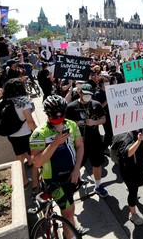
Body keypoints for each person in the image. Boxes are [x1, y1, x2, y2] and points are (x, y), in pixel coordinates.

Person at [29, 95, 88, 238]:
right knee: (69, 211)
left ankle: (68, 228)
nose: (58, 117)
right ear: (47, 114)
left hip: (71, 176)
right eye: (54, 115)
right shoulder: (39, 133)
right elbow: (36, 162)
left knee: (68, 208)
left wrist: (76, 169)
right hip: (53, 180)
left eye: (61, 114)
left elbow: (80, 146)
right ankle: (71, 234)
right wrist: (54, 143)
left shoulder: (72, 125)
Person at [65, 83, 108, 197]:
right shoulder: (71, 107)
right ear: (79, 92)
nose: (88, 97)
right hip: (79, 142)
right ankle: (76, 183)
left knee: (97, 164)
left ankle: (98, 186)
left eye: (90, 95)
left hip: (95, 140)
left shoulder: (96, 104)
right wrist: (75, 127)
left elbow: (103, 119)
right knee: (77, 166)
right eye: (85, 94)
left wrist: (94, 122)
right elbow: (66, 125)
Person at [2, 78, 38, 189]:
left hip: (12, 135)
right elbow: (30, 120)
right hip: (26, 134)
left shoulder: (5, 101)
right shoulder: (23, 101)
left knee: (20, 159)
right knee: (35, 156)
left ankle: (24, 181)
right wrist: (37, 131)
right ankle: (36, 181)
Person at [116, 130, 143, 225]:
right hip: (128, 169)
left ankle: (131, 188)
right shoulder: (123, 135)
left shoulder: (139, 132)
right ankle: (133, 215)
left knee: (140, 183)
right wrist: (138, 141)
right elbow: (128, 153)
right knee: (133, 191)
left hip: (139, 166)